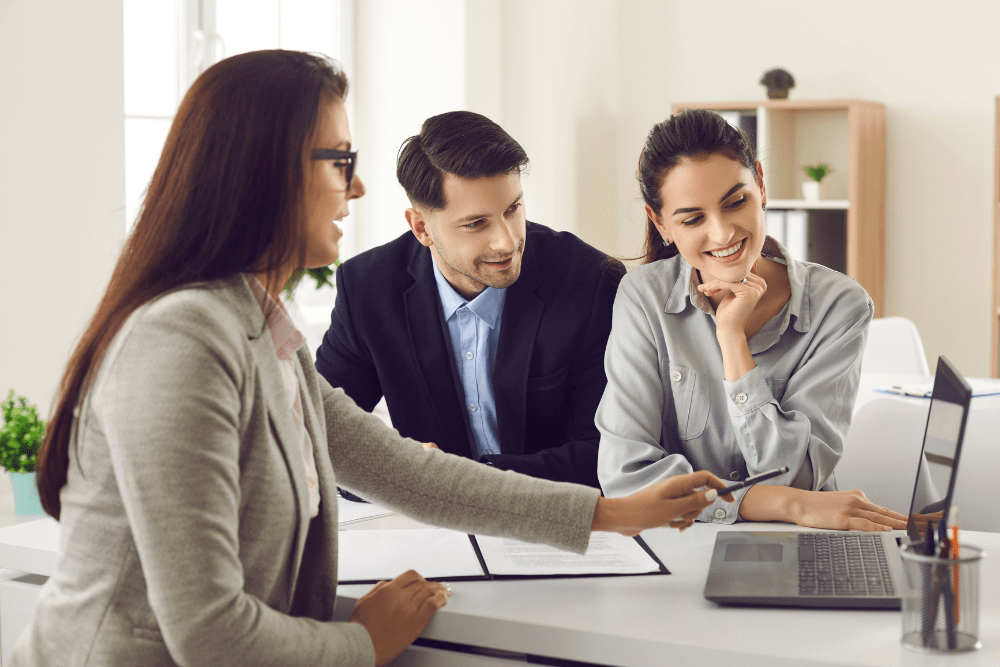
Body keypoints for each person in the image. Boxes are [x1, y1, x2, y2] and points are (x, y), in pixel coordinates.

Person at [14, 53, 731, 667]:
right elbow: (209, 632)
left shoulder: (260, 325)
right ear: (265, 173)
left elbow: (401, 470)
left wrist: (607, 513)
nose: (356, 188)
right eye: (341, 162)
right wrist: (361, 639)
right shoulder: (181, 339)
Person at [596, 109, 908, 533]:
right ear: (660, 223)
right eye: (692, 219)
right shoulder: (642, 298)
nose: (723, 234)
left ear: (760, 184)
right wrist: (786, 504)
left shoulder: (840, 305)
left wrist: (732, 341)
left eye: (736, 202)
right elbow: (626, 479)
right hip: (680, 545)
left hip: (800, 541)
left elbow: (797, 478)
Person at [314, 110, 623, 488]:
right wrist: (398, 468)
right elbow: (318, 438)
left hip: (558, 521)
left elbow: (608, 452)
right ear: (422, 227)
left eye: (513, 209)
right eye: (476, 224)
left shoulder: (589, 280)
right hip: (431, 531)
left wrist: (464, 481)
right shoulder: (368, 289)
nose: (508, 241)